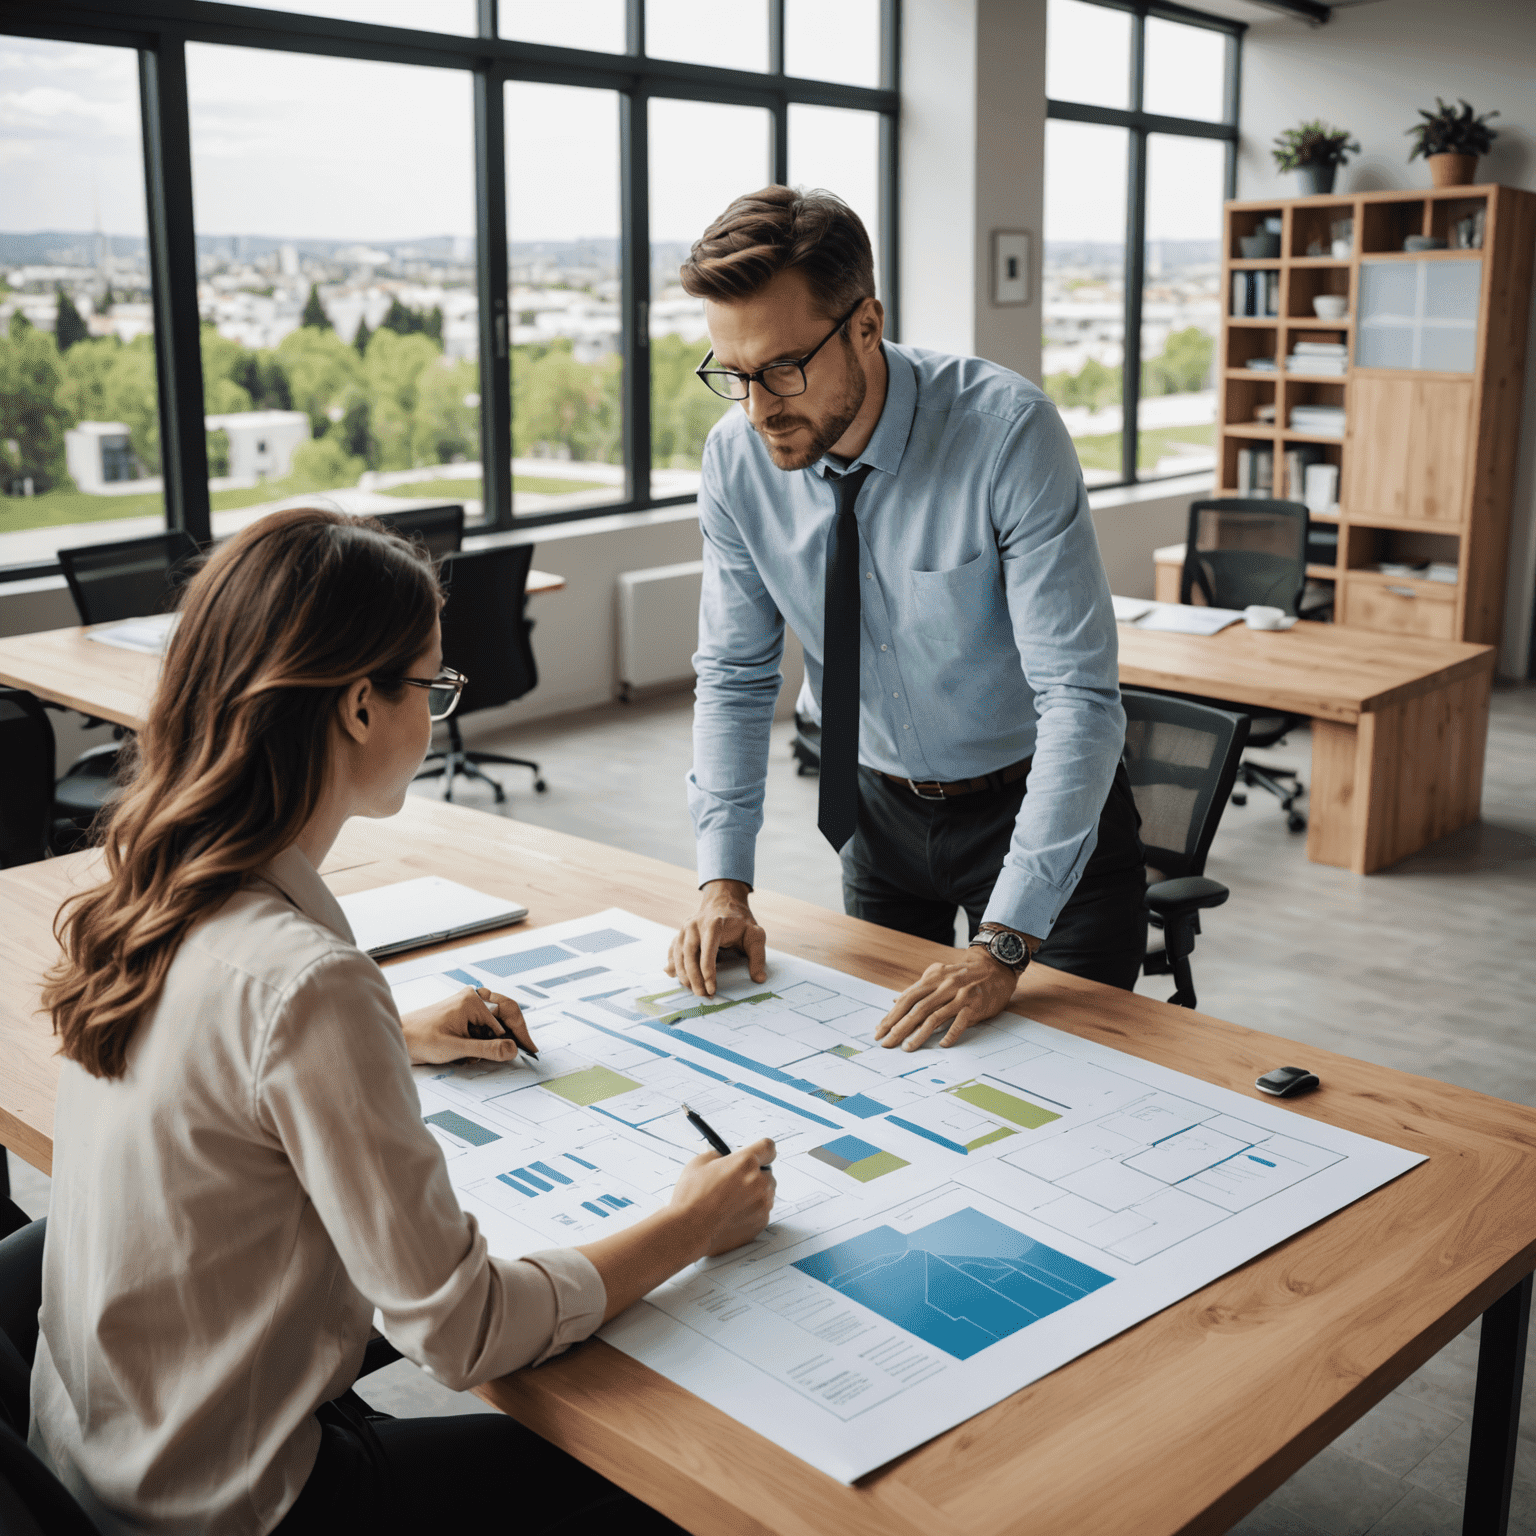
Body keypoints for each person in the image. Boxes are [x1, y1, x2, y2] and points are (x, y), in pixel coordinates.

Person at [32, 508, 775, 1535]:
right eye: (432, 684)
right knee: (678, 1481)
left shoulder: (155, 887)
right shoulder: (307, 985)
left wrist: (390, 1033)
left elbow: (232, 1073)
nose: (438, 709)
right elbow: (465, 1332)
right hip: (239, 1506)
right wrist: (695, 1222)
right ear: (356, 707)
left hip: (102, 1449)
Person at [666, 186, 1145, 1048]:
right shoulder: (736, 460)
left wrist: (1002, 948)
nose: (759, 407)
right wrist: (722, 884)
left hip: (1032, 806)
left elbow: (1078, 698)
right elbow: (736, 676)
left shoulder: (1005, 434)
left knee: (1072, 1102)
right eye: (732, 376)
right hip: (877, 815)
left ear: (864, 324)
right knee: (897, 1078)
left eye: (782, 368)